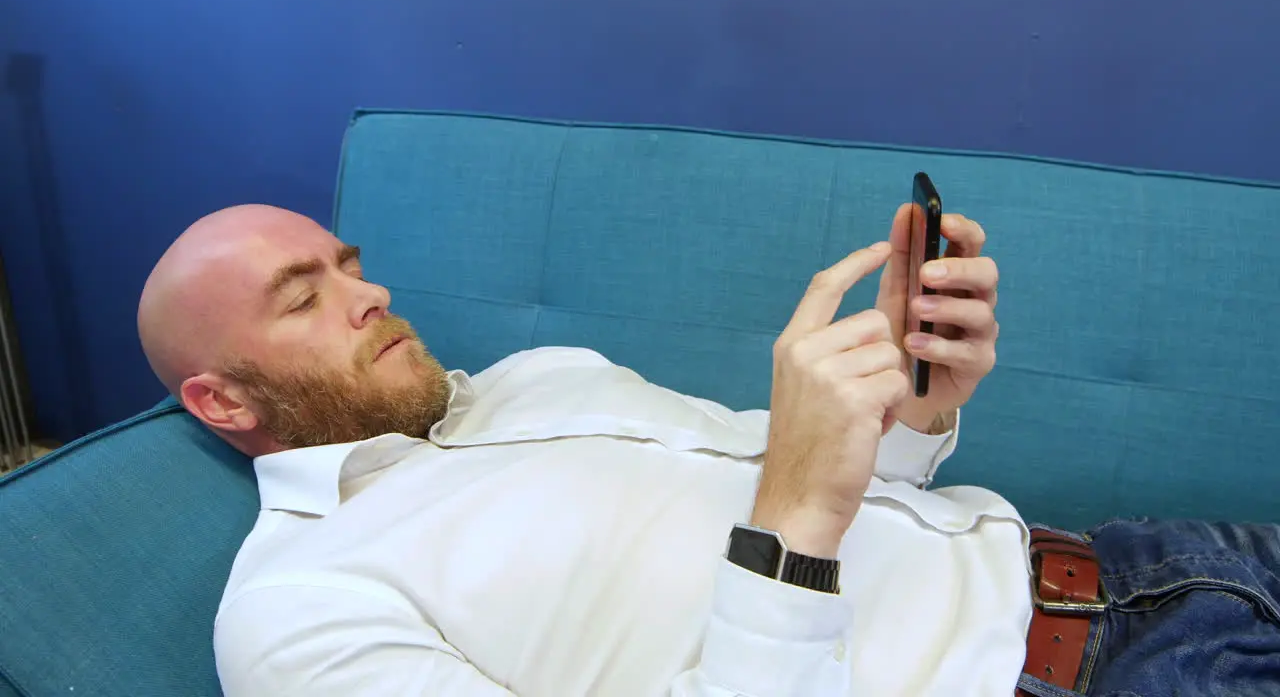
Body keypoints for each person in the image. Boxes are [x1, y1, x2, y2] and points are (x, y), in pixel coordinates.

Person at [137, 204, 1280, 697]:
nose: (367, 291)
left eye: (347, 261)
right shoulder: (297, 610)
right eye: (305, 296)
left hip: (1152, 566)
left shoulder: (545, 377)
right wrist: (788, 525)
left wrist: (913, 403)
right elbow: (800, 522)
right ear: (222, 400)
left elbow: (856, 499)